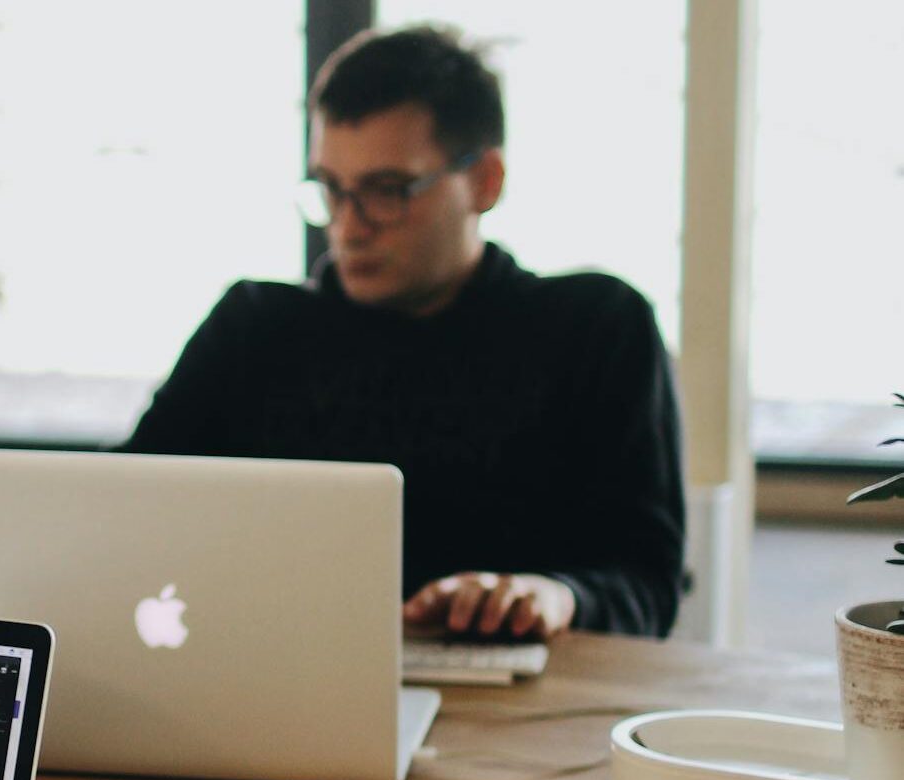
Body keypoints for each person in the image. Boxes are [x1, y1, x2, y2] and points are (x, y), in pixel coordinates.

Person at [122, 26, 685, 640]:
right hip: (276, 690)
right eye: (332, 190)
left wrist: (556, 596)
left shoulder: (596, 329)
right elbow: (117, 513)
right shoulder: (253, 328)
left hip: (520, 712)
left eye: (387, 191)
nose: (349, 228)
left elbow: (647, 586)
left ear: (485, 182)